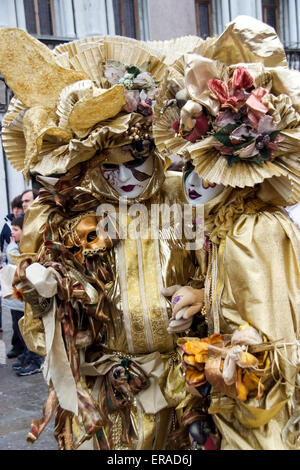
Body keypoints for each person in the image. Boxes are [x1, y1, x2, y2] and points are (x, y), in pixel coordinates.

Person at [0, 31, 205, 450]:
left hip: (178, 384)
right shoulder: (74, 210)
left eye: (136, 162)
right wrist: (48, 295)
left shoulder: (184, 194)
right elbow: (46, 313)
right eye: (111, 168)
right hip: (105, 386)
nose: (126, 179)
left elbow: (219, 270)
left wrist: (201, 292)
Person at [153, 16, 300, 450]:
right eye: (188, 166)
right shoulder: (223, 222)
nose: (191, 182)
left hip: (255, 411)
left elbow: (274, 342)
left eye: (206, 168)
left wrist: (229, 365)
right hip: (229, 397)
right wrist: (201, 296)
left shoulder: (254, 229)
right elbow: (231, 295)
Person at [2, 215, 43, 375]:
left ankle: (35, 360)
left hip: (24, 298)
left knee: (29, 329)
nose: (12, 233)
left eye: (15, 230)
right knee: (21, 330)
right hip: (17, 299)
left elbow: (16, 262)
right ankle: (28, 356)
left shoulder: (20, 248)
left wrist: (11, 247)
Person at [0, 196, 23, 339]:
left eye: (19, 207)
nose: (16, 210)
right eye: (14, 207)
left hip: (21, 283)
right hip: (12, 282)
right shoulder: (6, 225)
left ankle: (32, 356)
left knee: (23, 318)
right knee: (16, 317)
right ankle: (20, 349)